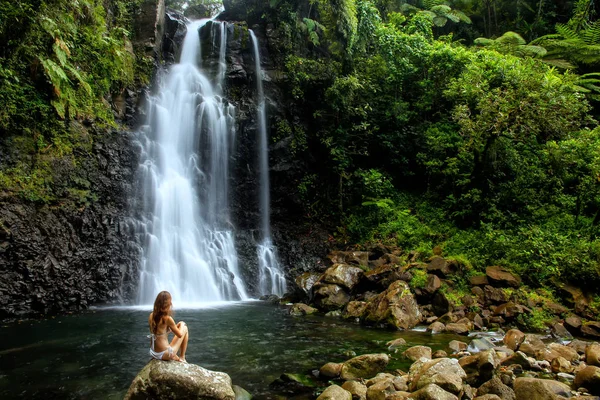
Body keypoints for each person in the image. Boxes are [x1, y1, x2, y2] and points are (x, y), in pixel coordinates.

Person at [148, 291, 189, 362]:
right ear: (168, 304)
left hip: (153, 352)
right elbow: (180, 335)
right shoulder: (167, 318)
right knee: (183, 325)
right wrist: (181, 325)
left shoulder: (151, 315)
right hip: (164, 353)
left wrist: (170, 329)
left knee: (179, 324)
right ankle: (182, 357)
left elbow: (159, 333)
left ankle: (179, 359)